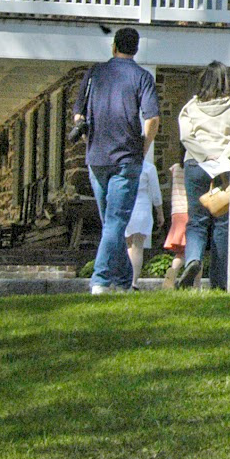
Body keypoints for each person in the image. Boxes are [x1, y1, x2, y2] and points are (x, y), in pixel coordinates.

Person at [72, 26, 160, 295]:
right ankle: (100, 281)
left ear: (113, 46)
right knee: (115, 222)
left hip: (96, 158)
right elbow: (153, 119)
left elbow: (78, 115)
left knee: (112, 222)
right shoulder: (142, 77)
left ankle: (123, 284)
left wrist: (89, 139)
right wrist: (143, 148)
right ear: (136, 49)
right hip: (126, 158)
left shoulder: (94, 73)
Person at [176, 61, 230, 290]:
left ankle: (194, 259)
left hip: (195, 165)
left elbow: (186, 137)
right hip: (225, 170)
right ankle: (219, 282)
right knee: (223, 223)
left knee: (196, 221)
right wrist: (221, 159)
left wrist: (204, 157)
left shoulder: (190, 107)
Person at [124, 147, 163, 290]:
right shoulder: (148, 168)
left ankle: (126, 279)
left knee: (128, 244)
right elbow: (155, 193)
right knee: (138, 246)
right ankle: (133, 281)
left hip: (127, 206)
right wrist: (160, 212)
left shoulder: (125, 166)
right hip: (142, 208)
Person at [162, 160, 188, 288]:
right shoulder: (194, 167)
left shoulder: (175, 168)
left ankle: (171, 273)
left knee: (182, 252)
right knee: (194, 249)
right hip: (189, 210)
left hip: (176, 211)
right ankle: (196, 283)